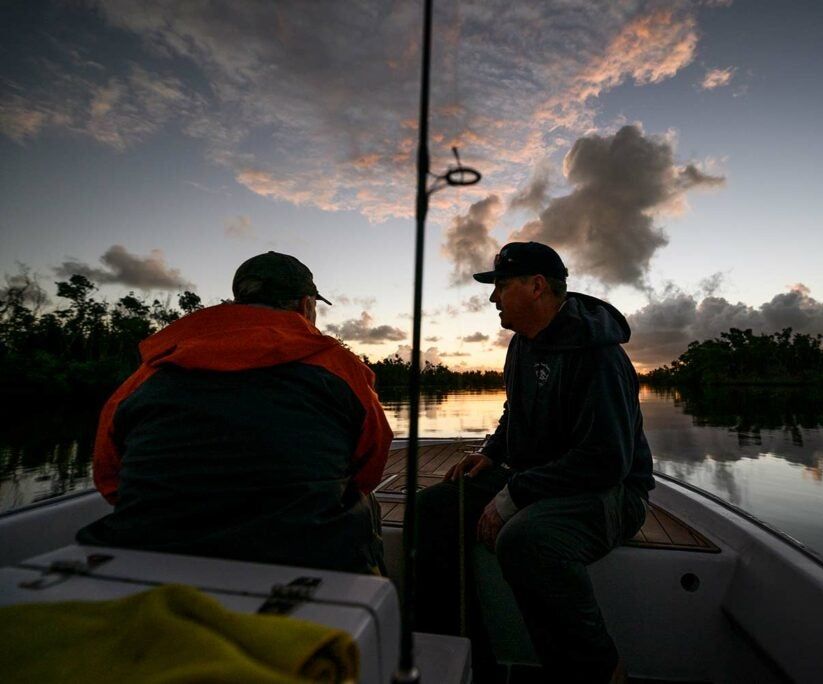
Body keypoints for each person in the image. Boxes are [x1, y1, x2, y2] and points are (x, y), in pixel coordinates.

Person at [415, 241, 654, 682]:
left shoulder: (599, 356)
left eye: (502, 286)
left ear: (537, 287)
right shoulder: (523, 345)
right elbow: (516, 410)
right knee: (432, 510)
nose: (492, 298)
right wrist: (492, 452)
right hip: (537, 479)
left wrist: (515, 494)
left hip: (611, 493)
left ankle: (601, 672)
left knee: (528, 540)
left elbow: (606, 461)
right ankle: (463, 659)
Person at [78, 252, 393, 575]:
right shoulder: (343, 370)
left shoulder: (149, 373)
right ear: (305, 305)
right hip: (302, 560)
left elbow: (110, 479)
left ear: (239, 300)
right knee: (365, 506)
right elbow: (368, 471)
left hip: (148, 560)